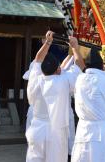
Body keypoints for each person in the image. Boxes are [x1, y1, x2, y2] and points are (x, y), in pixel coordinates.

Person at [26, 31, 84, 162]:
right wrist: (75, 47)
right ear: (58, 69)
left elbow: (37, 59)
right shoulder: (63, 81)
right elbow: (80, 66)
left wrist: (47, 43)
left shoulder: (35, 78)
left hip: (36, 129)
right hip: (56, 133)